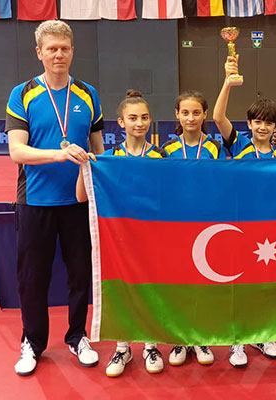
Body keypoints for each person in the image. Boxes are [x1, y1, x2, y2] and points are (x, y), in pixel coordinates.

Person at [5, 20, 105, 376]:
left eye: (64, 48)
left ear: (73, 51)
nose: (58, 54)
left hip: (78, 202)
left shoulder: (88, 94)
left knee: (80, 275)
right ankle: (32, 342)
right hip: (35, 201)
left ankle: (77, 336)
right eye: (52, 49)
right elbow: (17, 151)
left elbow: (98, 149)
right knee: (33, 277)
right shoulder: (23, 93)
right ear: (39, 53)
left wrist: (95, 164)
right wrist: (59, 154)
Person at [75, 90, 166, 376]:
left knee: (150, 289)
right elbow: (81, 196)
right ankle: (122, 348)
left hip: (151, 237)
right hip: (119, 239)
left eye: (144, 118)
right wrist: (85, 167)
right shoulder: (108, 158)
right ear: (121, 122)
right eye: (133, 118)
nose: (139, 123)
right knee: (121, 290)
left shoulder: (160, 156)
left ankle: (150, 345)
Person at [212, 55, 276, 368]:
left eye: (268, 123)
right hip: (239, 226)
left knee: (265, 284)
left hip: (269, 232)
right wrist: (228, 83)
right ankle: (237, 340)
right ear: (249, 123)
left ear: (275, 127)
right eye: (257, 122)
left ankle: (263, 333)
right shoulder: (239, 145)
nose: (262, 127)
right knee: (238, 285)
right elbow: (218, 117)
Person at [161, 91, 224, 367]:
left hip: (206, 225)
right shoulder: (166, 149)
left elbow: (223, 181)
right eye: (185, 113)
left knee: (202, 284)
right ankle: (179, 338)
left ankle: (200, 337)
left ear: (204, 115)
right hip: (177, 226)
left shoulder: (215, 148)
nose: (190, 118)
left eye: (196, 112)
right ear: (177, 114)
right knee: (178, 283)